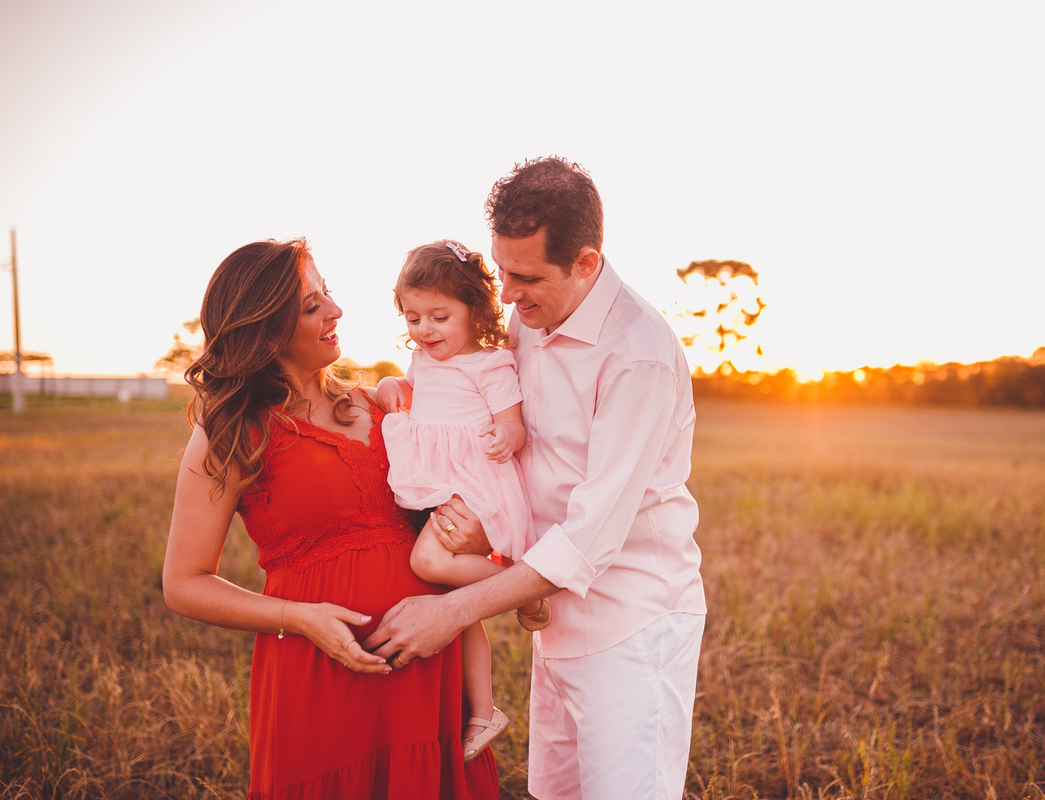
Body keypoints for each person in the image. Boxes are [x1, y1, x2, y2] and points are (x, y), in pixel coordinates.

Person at [364, 157, 707, 800]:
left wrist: (450, 612)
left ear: (585, 262)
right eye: (502, 272)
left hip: (631, 624)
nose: (506, 296)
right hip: (551, 619)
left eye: (525, 278)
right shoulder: (529, 315)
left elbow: (590, 538)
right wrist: (476, 522)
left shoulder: (638, 357)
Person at [162, 239, 499, 799]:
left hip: (428, 670)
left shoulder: (385, 405)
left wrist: (477, 534)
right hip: (320, 678)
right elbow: (184, 583)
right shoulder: (232, 434)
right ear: (265, 328)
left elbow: (474, 495)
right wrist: (300, 618)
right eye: (311, 305)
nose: (336, 311)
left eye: (328, 293)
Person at [376, 239, 551, 762]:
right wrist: (389, 382)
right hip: (442, 488)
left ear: (473, 311)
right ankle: (483, 711)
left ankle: (524, 589)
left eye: (439, 317)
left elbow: (513, 425)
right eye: (413, 318)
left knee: (428, 562)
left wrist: (506, 438)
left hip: (477, 483)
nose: (424, 330)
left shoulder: (490, 365)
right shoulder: (423, 362)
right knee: (460, 608)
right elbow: (408, 389)